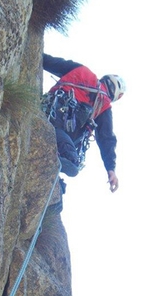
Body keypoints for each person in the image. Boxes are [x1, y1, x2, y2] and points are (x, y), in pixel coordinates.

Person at [42, 53, 125, 193]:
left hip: (47, 111)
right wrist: (111, 169)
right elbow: (106, 139)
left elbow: (51, 62)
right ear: (116, 95)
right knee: (73, 162)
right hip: (63, 135)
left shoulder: (82, 71)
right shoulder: (104, 105)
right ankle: (64, 158)